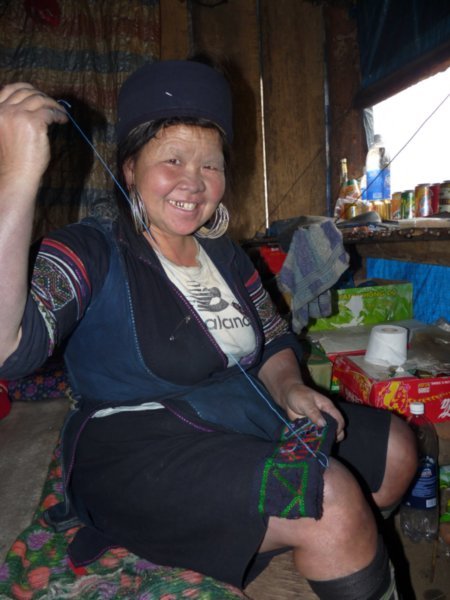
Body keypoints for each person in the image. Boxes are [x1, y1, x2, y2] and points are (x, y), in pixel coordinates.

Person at [0, 60, 417, 598]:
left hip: (237, 417)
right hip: (133, 450)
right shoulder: (89, 248)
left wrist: (290, 387)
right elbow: (9, 352)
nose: (193, 184)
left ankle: (317, 557)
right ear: (129, 167)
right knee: (327, 499)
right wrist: (16, 179)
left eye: (211, 165)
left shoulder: (224, 253)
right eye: (172, 159)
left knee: (399, 451)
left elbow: (271, 338)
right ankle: (326, 539)